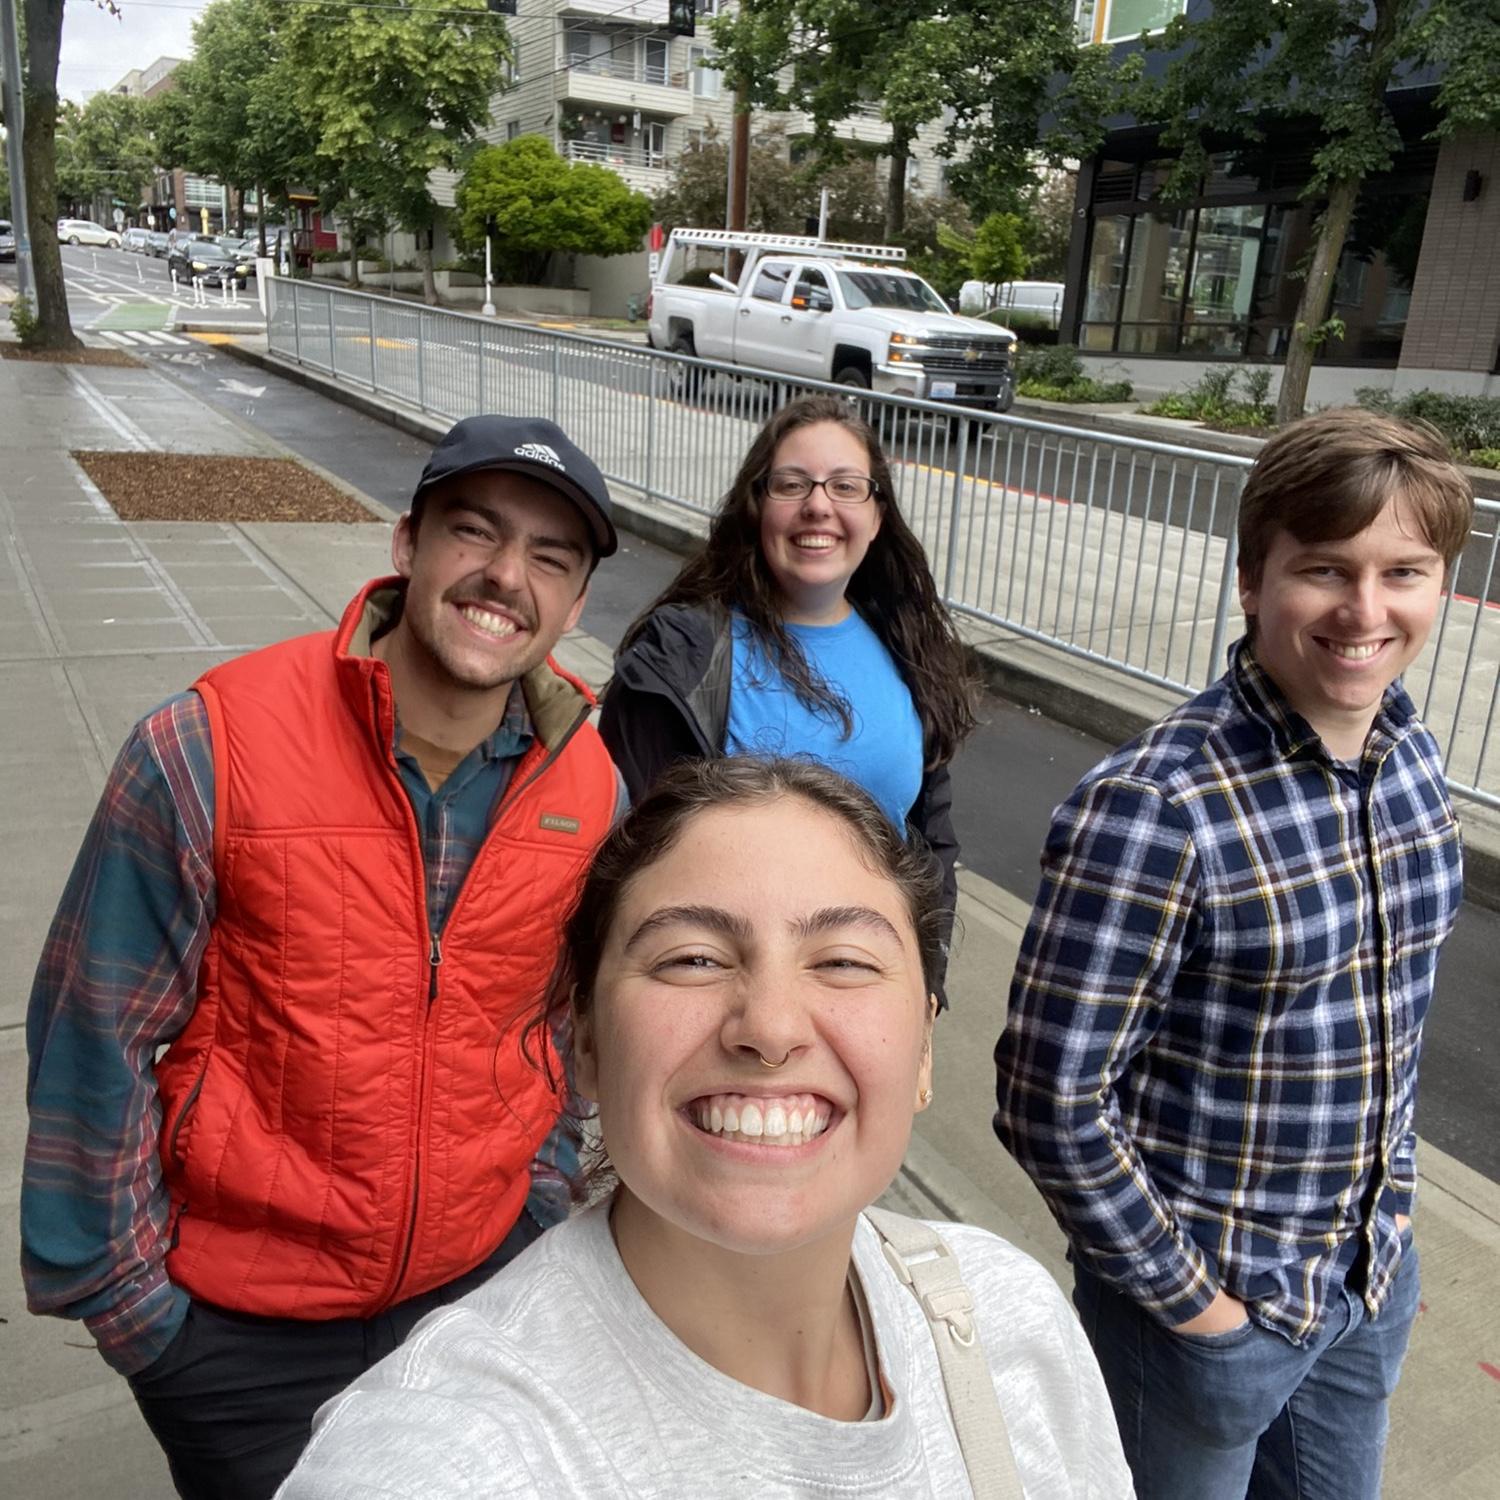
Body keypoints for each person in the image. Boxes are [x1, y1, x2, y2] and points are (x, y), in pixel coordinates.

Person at [21, 415, 624, 1500]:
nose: (504, 576)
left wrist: (538, 1203)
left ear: (576, 605)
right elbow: (95, 1034)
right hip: (238, 1344)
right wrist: (132, 1309)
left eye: (550, 557)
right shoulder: (208, 745)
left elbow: (561, 1022)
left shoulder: (588, 787)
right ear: (408, 545)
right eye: (475, 532)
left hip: (476, 1298)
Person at [278, 757, 1133, 1499]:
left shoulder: (1012, 1320)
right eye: (692, 959)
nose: (768, 1025)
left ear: (922, 1053)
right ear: (585, 1042)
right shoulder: (447, 1450)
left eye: (842, 961)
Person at [994, 408, 1474, 1500]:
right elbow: (1049, 1100)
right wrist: (1199, 1310)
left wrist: (1386, 1220)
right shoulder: (1158, 808)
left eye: (1404, 571)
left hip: (1361, 1285)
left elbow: (1389, 1017)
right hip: (1203, 1319)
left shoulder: (1411, 758)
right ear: (1253, 579)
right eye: (1325, 570)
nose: (1367, 610)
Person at [598, 394, 975, 991]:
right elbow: (630, 862)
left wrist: (925, 980)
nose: (818, 506)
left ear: (877, 517)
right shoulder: (682, 660)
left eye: (846, 487)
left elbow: (930, 836)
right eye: (792, 485)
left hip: (871, 991)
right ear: (756, 508)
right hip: (727, 996)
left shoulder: (909, 648)